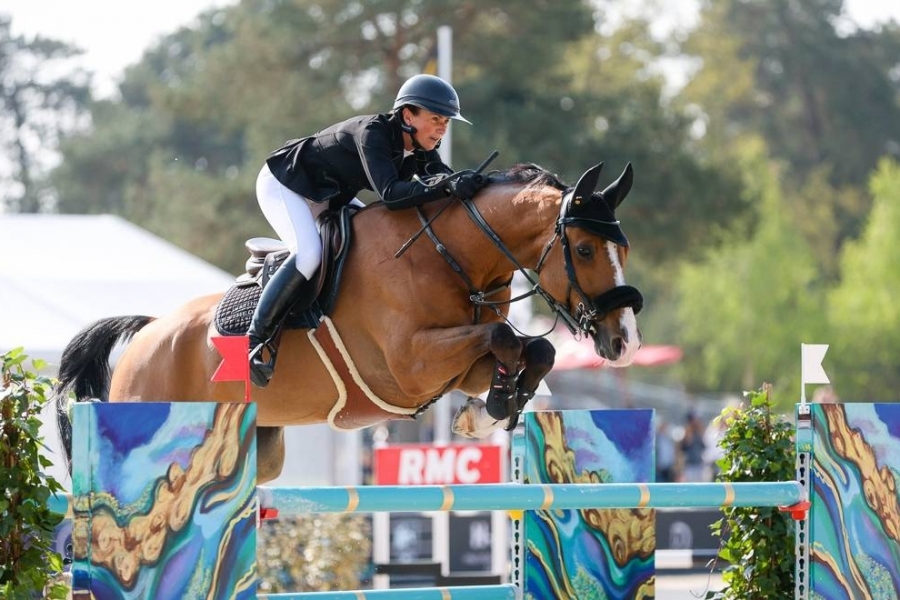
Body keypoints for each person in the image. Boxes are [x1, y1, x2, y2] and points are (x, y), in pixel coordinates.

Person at [248, 74, 487, 387]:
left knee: (376, 244)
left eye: (446, 121)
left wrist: (476, 184)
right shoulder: (372, 133)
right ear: (407, 115)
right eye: (436, 119)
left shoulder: (422, 147)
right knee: (309, 254)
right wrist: (446, 186)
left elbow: (444, 178)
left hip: (328, 195)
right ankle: (255, 341)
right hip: (286, 184)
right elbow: (390, 194)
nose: (443, 128)